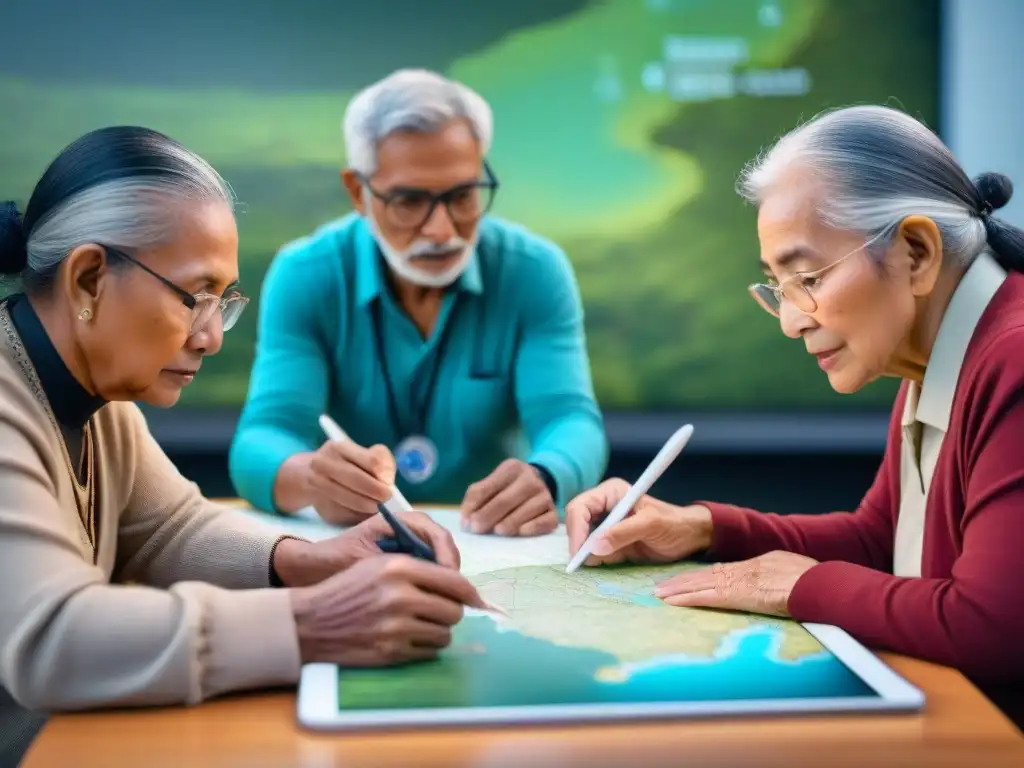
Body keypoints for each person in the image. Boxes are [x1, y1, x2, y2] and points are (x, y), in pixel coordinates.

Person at [0, 126, 488, 712]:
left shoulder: (101, 399)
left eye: (222, 301)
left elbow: (167, 530)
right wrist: (312, 623)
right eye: (194, 296)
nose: (210, 338)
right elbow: (55, 637)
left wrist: (314, 562)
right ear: (88, 279)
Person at [566, 105, 1024, 719]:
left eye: (807, 277)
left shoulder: (1012, 357)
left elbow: (993, 626)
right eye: (777, 288)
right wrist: (700, 528)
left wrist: (801, 587)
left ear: (916, 252)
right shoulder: (928, 351)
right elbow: (880, 540)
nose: (791, 319)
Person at [229, 69, 608, 537]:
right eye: (410, 201)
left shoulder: (534, 270)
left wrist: (547, 475)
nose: (442, 231)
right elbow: (260, 440)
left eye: (464, 196)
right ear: (358, 193)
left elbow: (570, 419)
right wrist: (310, 478)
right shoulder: (306, 274)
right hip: (362, 543)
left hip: (493, 540)